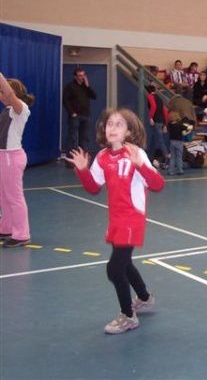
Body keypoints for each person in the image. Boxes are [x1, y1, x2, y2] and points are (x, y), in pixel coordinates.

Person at [66, 108, 165, 334]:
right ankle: (144, 298)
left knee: (114, 268)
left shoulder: (136, 154)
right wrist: (82, 170)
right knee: (125, 264)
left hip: (132, 218)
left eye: (119, 124)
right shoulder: (102, 157)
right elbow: (93, 188)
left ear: (129, 131)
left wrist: (140, 164)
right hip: (116, 219)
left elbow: (158, 185)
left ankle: (129, 316)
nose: (112, 128)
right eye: (110, 123)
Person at [0, 73, 35, 248]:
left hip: (11, 157)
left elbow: (10, 94)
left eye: (2, 92)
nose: (0, 95)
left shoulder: (20, 108)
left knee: (14, 197)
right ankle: (6, 228)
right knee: (3, 196)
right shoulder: (7, 110)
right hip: (2, 156)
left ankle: (22, 234)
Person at [63, 68, 97, 161]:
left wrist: (87, 86)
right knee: (72, 138)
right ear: (75, 76)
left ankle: (83, 158)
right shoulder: (70, 86)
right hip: (75, 116)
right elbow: (65, 101)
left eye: (83, 75)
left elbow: (94, 96)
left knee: (84, 138)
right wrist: (72, 113)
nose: (82, 77)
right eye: (80, 75)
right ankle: (70, 160)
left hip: (86, 115)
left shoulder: (85, 87)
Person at [146, 83, 170, 168]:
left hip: (155, 122)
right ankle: (149, 159)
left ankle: (167, 158)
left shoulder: (150, 96)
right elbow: (165, 111)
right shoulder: (159, 98)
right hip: (161, 122)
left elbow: (153, 106)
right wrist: (165, 124)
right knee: (152, 141)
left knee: (160, 141)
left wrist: (150, 117)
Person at [167, 110, 193, 176]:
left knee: (172, 157)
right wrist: (190, 127)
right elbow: (188, 128)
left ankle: (170, 171)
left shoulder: (169, 125)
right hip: (179, 142)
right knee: (179, 157)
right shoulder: (179, 125)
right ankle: (180, 170)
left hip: (172, 142)